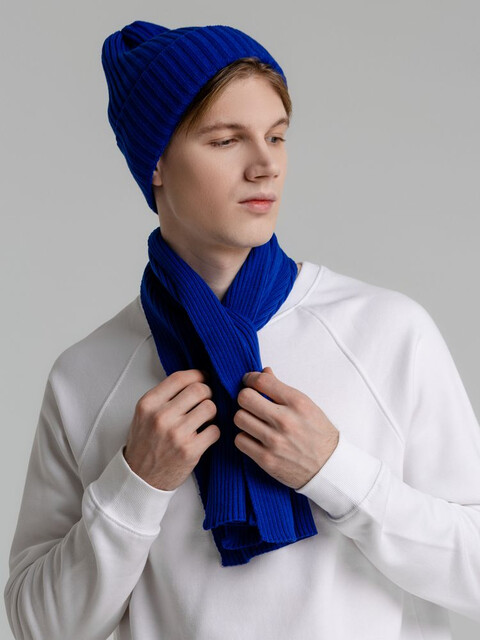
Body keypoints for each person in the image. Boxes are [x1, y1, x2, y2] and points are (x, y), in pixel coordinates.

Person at [4, 19, 480, 640]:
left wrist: (334, 472)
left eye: (276, 136)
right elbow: (38, 627)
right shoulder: (86, 373)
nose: (265, 166)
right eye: (227, 140)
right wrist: (135, 485)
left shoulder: (389, 333)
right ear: (156, 162)